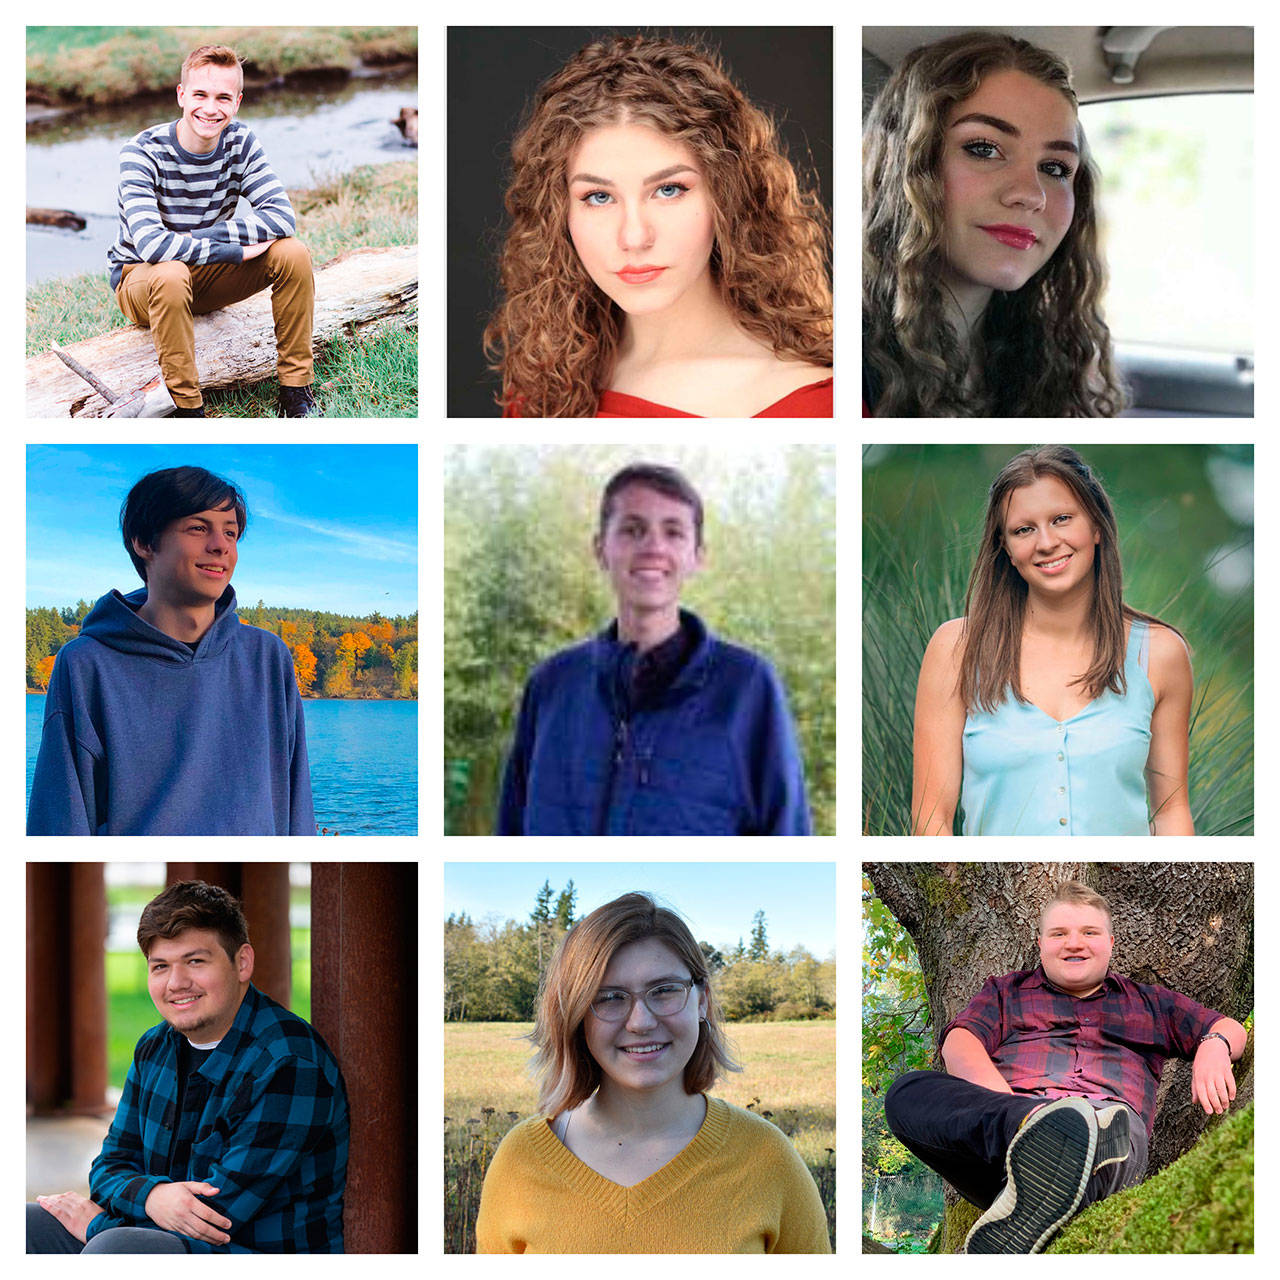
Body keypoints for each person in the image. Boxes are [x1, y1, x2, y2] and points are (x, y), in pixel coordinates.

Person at [883, 880, 1246, 1253]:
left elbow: (1227, 1028)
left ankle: (1027, 1208)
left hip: (1108, 1138)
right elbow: (960, 1043)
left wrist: (1214, 1046)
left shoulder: (1151, 1003)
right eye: (1059, 933)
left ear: (1110, 943)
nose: (1074, 943)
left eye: (1090, 932)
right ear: (1040, 942)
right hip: (1000, 1147)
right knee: (905, 1093)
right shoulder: (1007, 992)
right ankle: (1038, 1143)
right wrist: (1020, 1118)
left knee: (1107, 1129)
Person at [484, 34, 832, 418]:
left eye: (668, 190)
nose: (633, 237)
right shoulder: (546, 379)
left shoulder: (812, 404)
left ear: (728, 196)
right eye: (599, 197)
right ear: (559, 212)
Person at [475, 892, 831, 1252]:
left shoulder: (768, 1158)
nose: (641, 1022)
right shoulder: (520, 1162)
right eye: (610, 997)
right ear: (576, 1014)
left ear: (702, 999)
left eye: (663, 991)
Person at [27, 881, 348, 1254]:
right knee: (24, 1225)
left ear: (242, 962)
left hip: (254, 1254)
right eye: (160, 966)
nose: (176, 984)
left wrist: (97, 1224)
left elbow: (214, 1217)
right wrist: (153, 1197)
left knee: (114, 1250)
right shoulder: (154, 1047)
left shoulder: (289, 1064)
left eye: (195, 961)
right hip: (153, 1235)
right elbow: (108, 1167)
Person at [496, 463, 811, 835]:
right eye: (632, 529)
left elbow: (787, 841)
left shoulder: (747, 688)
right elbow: (511, 833)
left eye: (674, 532)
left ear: (697, 556)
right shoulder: (552, 684)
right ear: (600, 548)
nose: (654, 547)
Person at [911, 445, 1193, 835]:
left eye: (1061, 519)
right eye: (1023, 530)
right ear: (1006, 549)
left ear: (1096, 527)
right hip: (993, 896)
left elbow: (1171, 811)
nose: (1045, 543)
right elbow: (931, 820)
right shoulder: (955, 649)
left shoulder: (1160, 654)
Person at [27, 465, 314, 835]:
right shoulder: (86, 663)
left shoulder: (268, 658)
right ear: (144, 543)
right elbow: (59, 822)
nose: (221, 545)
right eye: (198, 528)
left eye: (231, 532)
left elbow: (297, 809)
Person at [863, 31, 1124, 416]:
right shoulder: (837, 368)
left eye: (1054, 168)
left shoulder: (1053, 365)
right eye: (984, 149)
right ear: (904, 163)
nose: (1031, 194)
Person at [108, 44, 320, 418]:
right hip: (142, 281)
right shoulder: (140, 152)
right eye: (200, 95)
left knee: (293, 253)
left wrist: (214, 236)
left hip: (203, 278)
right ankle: (188, 411)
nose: (210, 108)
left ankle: (296, 392)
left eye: (223, 97)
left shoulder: (241, 141)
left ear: (237, 102)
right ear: (181, 95)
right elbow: (152, 246)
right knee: (171, 272)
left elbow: (282, 218)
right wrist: (233, 251)